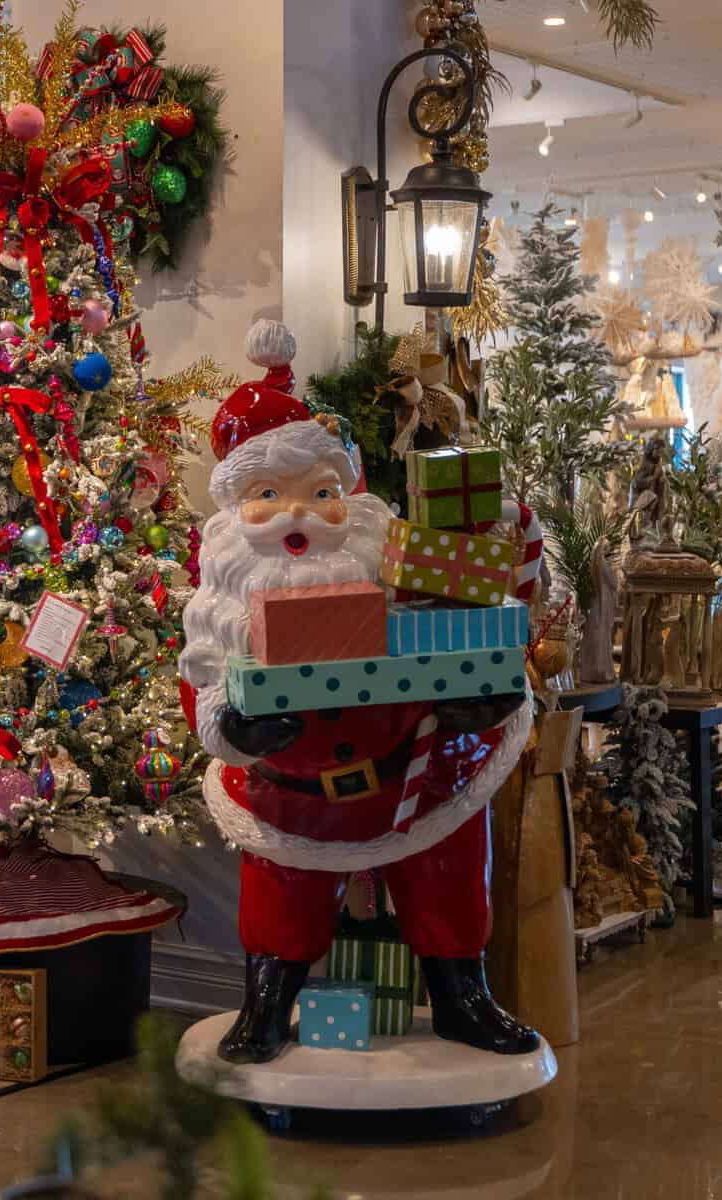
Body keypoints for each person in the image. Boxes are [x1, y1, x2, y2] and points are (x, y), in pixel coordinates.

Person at [178, 321, 536, 1065]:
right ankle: (266, 1004)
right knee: (282, 896)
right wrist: (232, 727)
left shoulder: (397, 568)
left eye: (321, 492)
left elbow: (470, 635)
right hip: (291, 793)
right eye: (267, 495)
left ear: (353, 496)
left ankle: (462, 998)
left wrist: (484, 700)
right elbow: (202, 681)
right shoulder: (223, 603)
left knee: (447, 882)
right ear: (233, 511)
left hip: (414, 775)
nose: (298, 513)